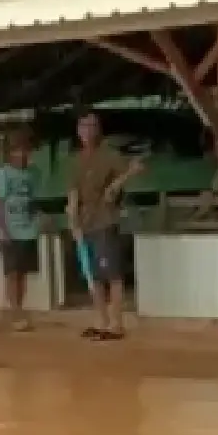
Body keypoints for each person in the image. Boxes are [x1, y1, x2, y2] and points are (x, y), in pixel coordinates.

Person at [70, 110, 139, 340]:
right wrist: (73, 222)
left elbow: (134, 169)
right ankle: (101, 320)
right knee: (93, 275)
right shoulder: (77, 160)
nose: (87, 130)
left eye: (92, 126)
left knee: (112, 273)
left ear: (98, 129)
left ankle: (116, 323)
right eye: (83, 126)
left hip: (105, 220)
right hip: (85, 223)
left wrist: (117, 184)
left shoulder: (109, 155)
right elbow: (72, 193)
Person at [0, 131, 41, 331]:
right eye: (16, 151)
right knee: (12, 272)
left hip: (28, 229)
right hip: (10, 228)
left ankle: (20, 307)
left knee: (23, 272)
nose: (21, 155)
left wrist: (37, 220)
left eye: (24, 150)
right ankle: (15, 312)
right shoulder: (3, 174)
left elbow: (34, 200)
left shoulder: (33, 173)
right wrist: (3, 228)